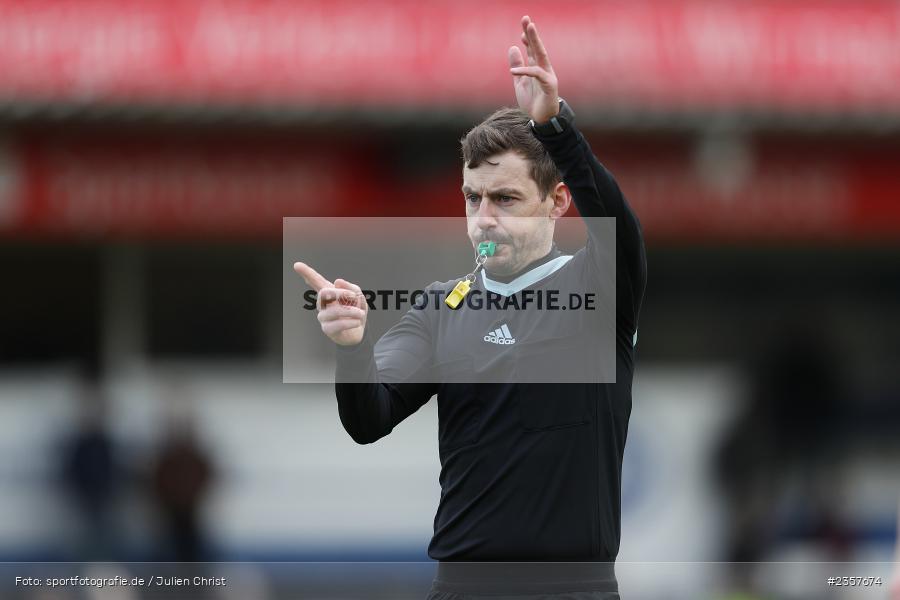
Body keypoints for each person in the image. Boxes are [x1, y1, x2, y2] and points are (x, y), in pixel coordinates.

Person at [295, 15, 646, 599]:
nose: (484, 217)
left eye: (506, 198)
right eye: (472, 198)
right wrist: (351, 349)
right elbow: (367, 419)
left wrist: (555, 127)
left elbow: (621, 227)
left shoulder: (597, 286)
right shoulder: (440, 308)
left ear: (557, 202)